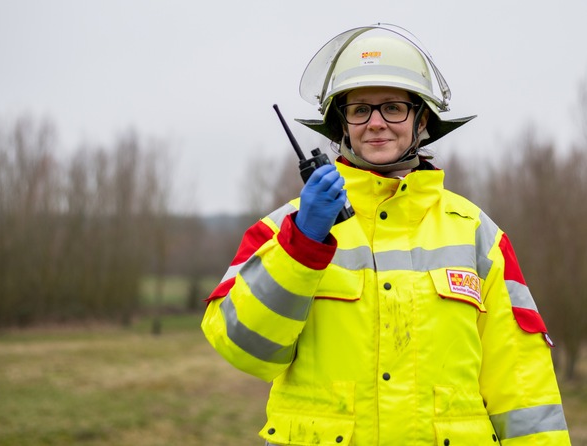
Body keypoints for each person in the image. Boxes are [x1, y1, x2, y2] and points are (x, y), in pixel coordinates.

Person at [201, 23, 571, 445]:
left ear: (422, 119)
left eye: (393, 108)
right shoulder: (283, 230)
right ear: (341, 125)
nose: (376, 123)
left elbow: (523, 387)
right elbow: (245, 351)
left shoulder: (477, 235)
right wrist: (302, 246)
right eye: (360, 110)